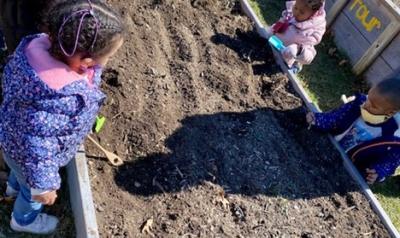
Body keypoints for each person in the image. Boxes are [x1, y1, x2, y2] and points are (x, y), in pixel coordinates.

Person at [0, 0, 124, 234]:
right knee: (31, 191)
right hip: (28, 157)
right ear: (85, 60)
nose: (104, 63)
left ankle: (12, 188)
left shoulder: (35, 48)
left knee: (19, 174)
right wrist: (43, 186)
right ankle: (22, 220)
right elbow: (37, 149)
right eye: (106, 57)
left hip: (12, 144)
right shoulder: (55, 100)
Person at [306, 76, 400, 185]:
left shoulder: (391, 134)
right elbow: (337, 117)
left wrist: (378, 171)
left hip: (348, 168)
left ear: (390, 112)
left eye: (374, 106)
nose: (367, 105)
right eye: (368, 98)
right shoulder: (359, 104)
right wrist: (318, 120)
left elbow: (390, 158)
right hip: (328, 146)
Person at [258, 0, 326, 72]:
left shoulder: (309, 33)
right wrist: (270, 32)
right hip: (272, 44)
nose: (296, 13)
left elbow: (309, 56)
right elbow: (280, 25)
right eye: (295, 7)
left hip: (284, 60)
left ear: (312, 16)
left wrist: (298, 50)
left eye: (302, 12)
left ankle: (295, 67)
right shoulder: (291, 15)